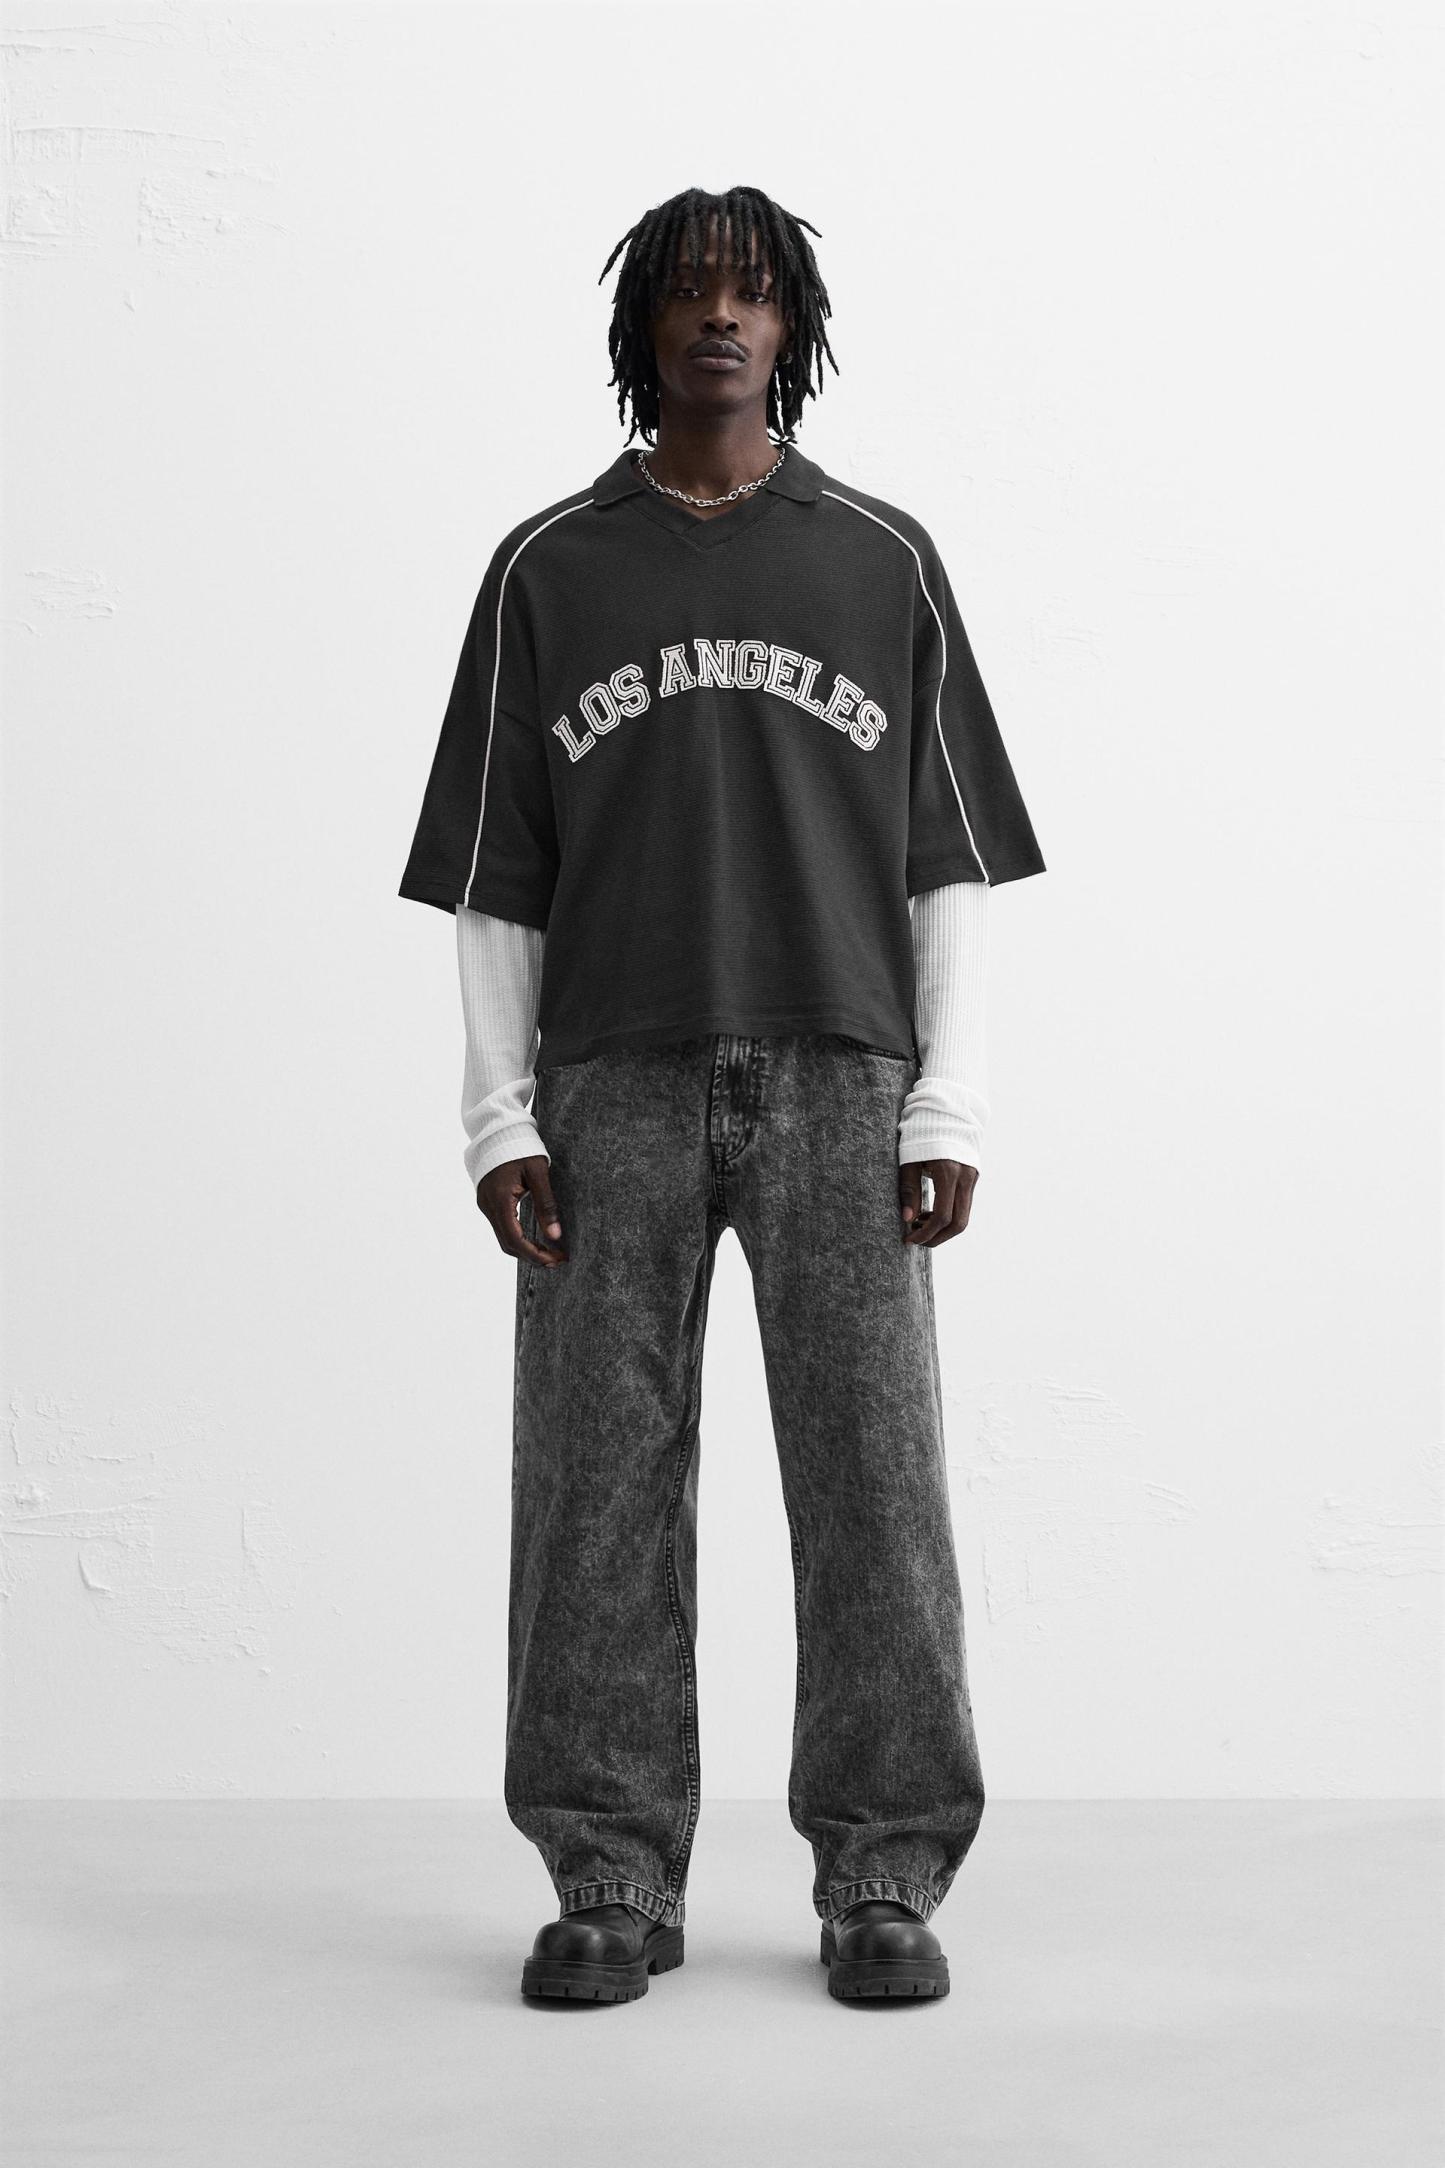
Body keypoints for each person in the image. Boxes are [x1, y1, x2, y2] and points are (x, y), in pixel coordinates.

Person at [397, 184, 1046, 2005]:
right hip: (607, 1075)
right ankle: (609, 1875)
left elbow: (944, 860)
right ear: (641, 329)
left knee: (873, 1484)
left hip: (842, 1070)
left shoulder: (880, 560)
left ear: (793, 328)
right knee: (592, 1489)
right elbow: (497, 873)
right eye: (687, 291)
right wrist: (498, 1117)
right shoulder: (548, 570)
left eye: (752, 293)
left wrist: (948, 1105)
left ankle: (883, 1873)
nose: (719, 318)